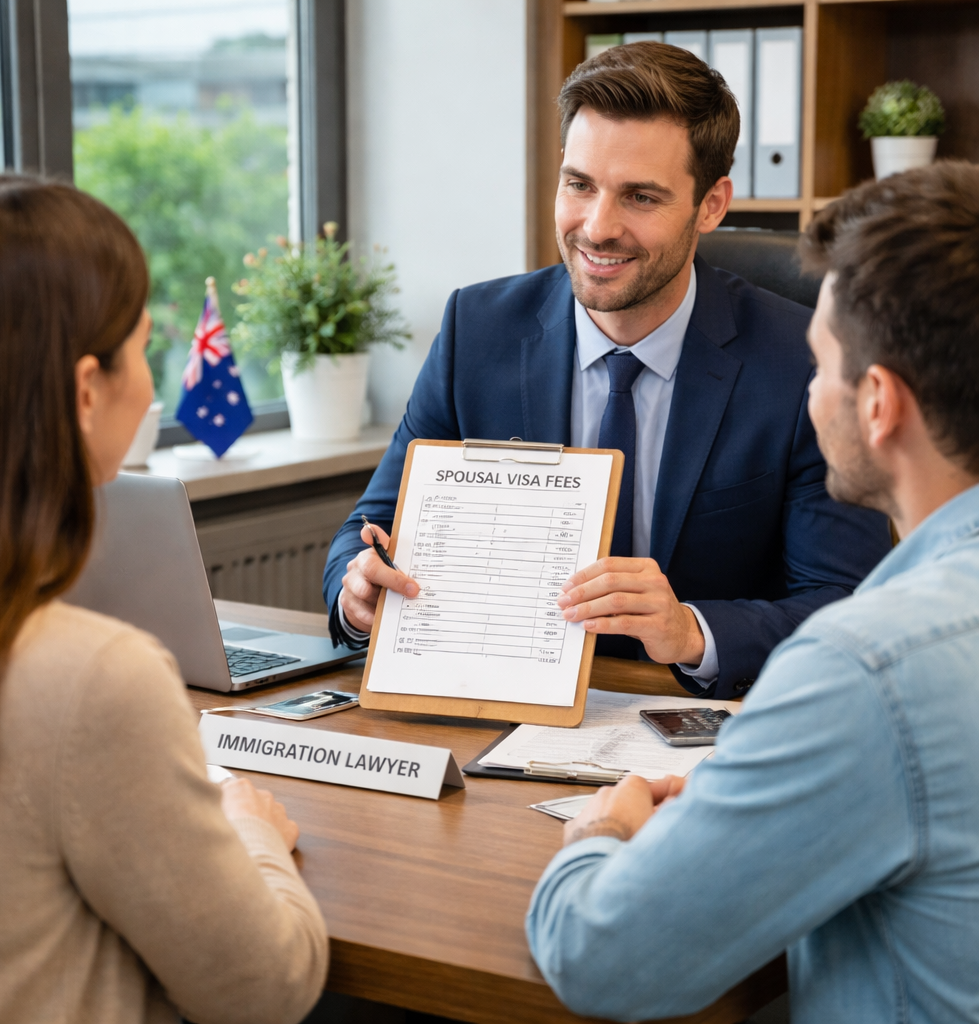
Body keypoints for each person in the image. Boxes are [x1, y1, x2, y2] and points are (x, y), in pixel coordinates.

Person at [525, 161, 979, 1023]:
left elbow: (598, 959)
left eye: (819, 366)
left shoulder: (865, 670)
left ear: (877, 403)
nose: (807, 395)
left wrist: (602, 833)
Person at [323, 42, 890, 700]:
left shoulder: (803, 361)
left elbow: (848, 607)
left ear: (711, 205)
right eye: (579, 185)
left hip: (702, 733)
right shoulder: (478, 331)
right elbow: (367, 526)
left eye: (640, 197)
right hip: (497, 713)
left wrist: (694, 631)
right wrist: (357, 589)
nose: (597, 227)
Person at [0, 174, 328, 1024]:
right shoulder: (88, 677)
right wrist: (255, 831)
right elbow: (266, 990)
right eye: (139, 345)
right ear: (86, 391)